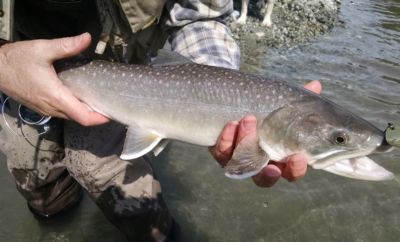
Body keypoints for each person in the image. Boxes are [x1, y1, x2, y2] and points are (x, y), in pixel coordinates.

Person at [0, 0, 321, 241]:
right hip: (14, 54)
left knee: (134, 205)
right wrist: (5, 65)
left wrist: (212, 95)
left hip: (126, 73)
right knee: (44, 193)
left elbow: (201, 15)